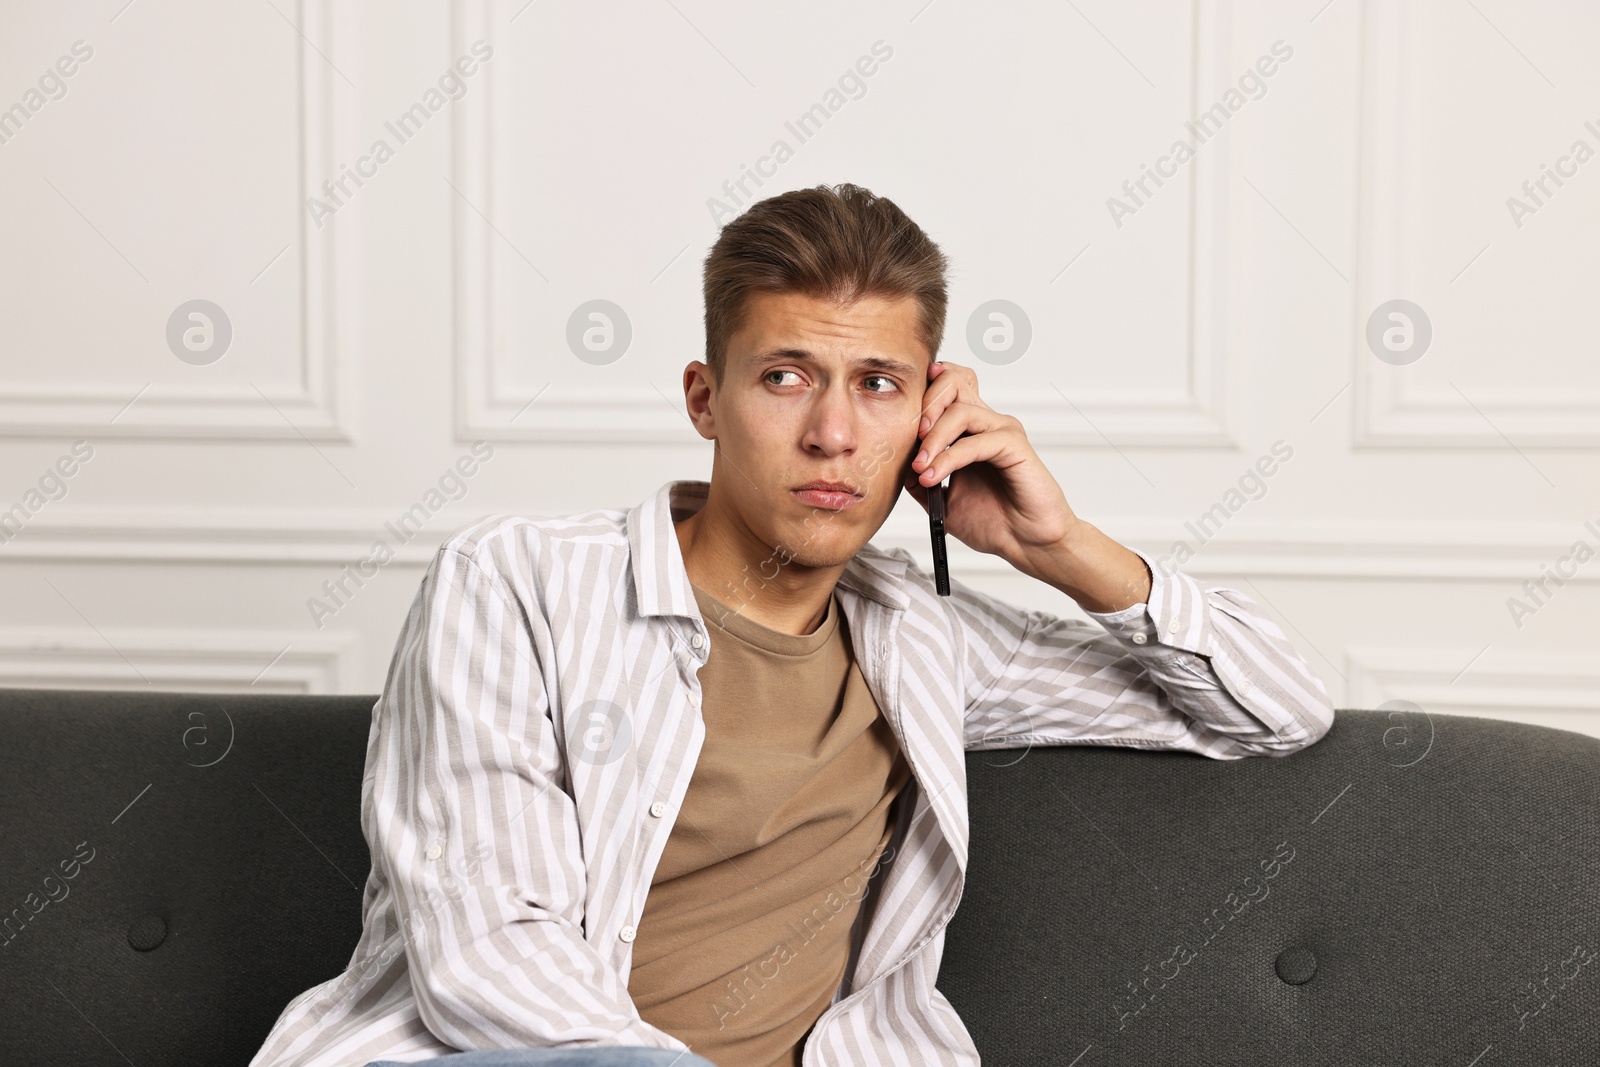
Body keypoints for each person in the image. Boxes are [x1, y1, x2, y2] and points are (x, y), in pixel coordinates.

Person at [249, 183, 1335, 1067]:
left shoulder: (923, 640)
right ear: (705, 398)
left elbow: (1273, 709)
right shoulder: (515, 583)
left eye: (877, 384)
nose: (831, 431)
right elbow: (488, 953)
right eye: (785, 377)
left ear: (928, 412)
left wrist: (1055, 544)